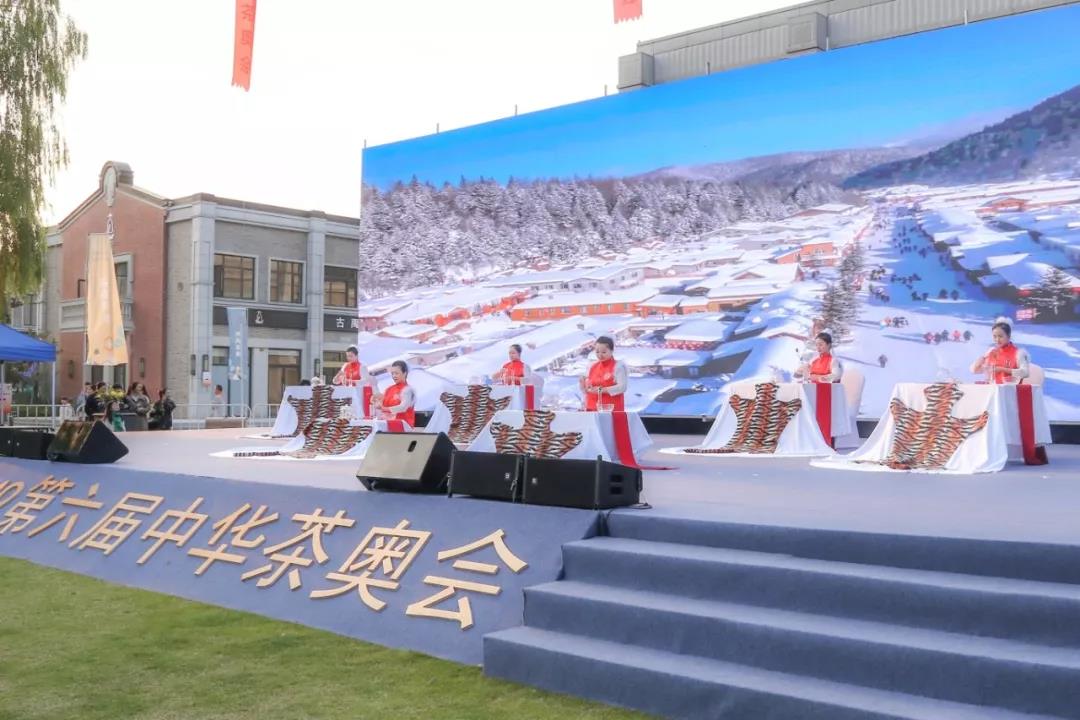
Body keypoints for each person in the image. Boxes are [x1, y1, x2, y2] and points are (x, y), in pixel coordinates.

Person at [970, 320, 1030, 384]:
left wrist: (1002, 369)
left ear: (1009, 336)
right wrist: (980, 360)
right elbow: (975, 370)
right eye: (994, 336)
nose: (997, 340)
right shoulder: (991, 352)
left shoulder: (1019, 353)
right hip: (992, 388)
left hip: (1010, 389)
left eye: (1000, 336)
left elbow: (1025, 373)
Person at [579, 336, 627, 411]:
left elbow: (622, 387)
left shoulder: (618, 366)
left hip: (611, 408)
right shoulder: (592, 366)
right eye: (597, 352)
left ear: (612, 351)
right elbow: (586, 385)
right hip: (592, 407)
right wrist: (583, 384)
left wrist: (601, 390)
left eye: (604, 352)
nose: (600, 355)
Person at [372, 360, 415, 427]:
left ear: (405, 373)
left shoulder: (408, 390)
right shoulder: (389, 389)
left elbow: (403, 407)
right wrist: (377, 401)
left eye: (396, 373)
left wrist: (384, 409)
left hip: (403, 425)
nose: (394, 376)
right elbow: (381, 405)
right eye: (392, 373)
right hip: (387, 423)